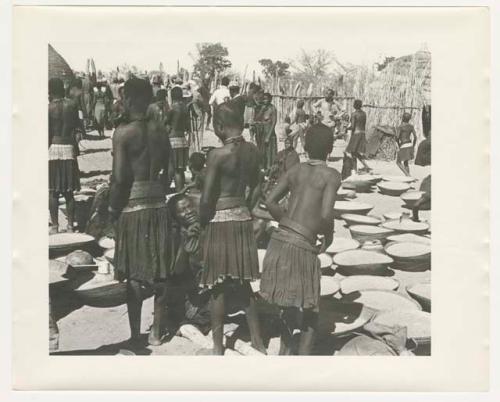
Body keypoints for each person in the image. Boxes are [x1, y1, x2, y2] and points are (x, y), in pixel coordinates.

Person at [260, 123, 341, 355]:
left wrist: (288, 221)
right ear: (330, 148)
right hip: (301, 246)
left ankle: (284, 353)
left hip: (279, 240)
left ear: (304, 146)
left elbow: (270, 201)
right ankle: (303, 361)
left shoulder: (295, 170)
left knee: (287, 303)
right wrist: (330, 235)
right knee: (310, 308)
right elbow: (326, 214)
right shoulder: (332, 175)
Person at [109, 77, 174, 348]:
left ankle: (136, 336)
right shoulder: (160, 131)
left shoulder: (123, 133)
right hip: (158, 202)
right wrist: (156, 189)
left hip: (133, 204)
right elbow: (171, 173)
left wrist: (113, 211)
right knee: (160, 269)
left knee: (135, 273)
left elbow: (120, 178)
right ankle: (157, 332)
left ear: (130, 99)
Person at [199, 102, 266, 355]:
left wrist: (203, 220)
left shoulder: (217, 155)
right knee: (243, 283)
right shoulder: (253, 151)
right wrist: (244, 208)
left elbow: (207, 198)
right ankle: (258, 342)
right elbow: (257, 187)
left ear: (218, 126)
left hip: (220, 219)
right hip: (242, 217)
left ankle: (217, 348)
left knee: (217, 286)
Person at [48, 78, 82, 234]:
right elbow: (76, 128)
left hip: (53, 148)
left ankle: (55, 226)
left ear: (50, 91)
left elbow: (47, 134)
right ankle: (70, 226)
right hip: (68, 147)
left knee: (53, 191)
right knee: (69, 192)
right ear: (63, 89)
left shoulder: (48, 109)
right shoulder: (72, 105)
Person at [166, 86, 190, 191]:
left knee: (170, 168)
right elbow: (188, 126)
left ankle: (164, 190)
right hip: (182, 140)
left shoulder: (172, 108)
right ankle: (180, 192)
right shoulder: (185, 108)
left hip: (172, 140)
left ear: (172, 96)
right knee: (179, 170)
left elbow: (165, 122)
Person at [345, 99, 372, 173]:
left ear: (354, 105)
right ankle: (365, 166)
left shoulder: (354, 114)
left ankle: (355, 169)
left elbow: (353, 126)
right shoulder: (364, 114)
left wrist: (346, 128)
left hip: (356, 134)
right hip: (362, 133)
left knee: (353, 152)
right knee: (356, 152)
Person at [253, 92, 278, 172]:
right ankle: (262, 169)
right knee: (262, 152)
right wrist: (262, 110)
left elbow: (274, 122)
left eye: (266, 99)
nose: (265, 101)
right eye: (264, 99)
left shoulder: (272, 108)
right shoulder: (261, 108)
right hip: (261, 133)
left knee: (269, 153)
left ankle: (270, 170)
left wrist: (268, 136)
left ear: (270, 100)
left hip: (269, 133)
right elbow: (256, 119)